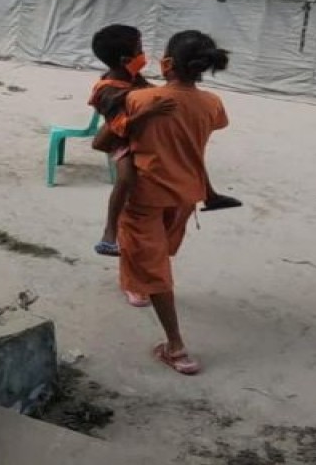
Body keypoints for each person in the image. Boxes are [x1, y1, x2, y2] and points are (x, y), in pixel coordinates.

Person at [117, 30, 231, 375]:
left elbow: (114, 137)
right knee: (156, 250)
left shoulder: (140, 101)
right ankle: (136, 284)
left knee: (153, 264)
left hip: (146, 194)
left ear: (166, 63)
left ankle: (176, 347)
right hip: (186, 193)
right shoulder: (212, 103)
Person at [89, 25, 241, 259]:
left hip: (139, 132)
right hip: (122, 139)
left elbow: (150, 93)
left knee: (191, 157)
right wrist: (146, 112)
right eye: (140, 50)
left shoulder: (131, 78)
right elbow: (117, 126)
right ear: (126, 59)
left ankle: (210, 195)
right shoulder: (107, 90)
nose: (145, 55)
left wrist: (164, 94)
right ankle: (109, 233)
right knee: (127, 177)